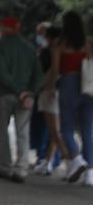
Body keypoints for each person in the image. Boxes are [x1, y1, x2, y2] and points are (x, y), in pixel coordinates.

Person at [0, 16, 42, 183]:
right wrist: (29, 93)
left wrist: (19, 91)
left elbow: (1, 73)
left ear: (6, 30)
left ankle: (5, 166)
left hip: (4, 94)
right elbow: (38, 75)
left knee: (2, 132)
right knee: (22, 133)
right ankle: (21, 169)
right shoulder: (29, 48)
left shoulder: (0, 46)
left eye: (1, 28)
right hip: (25, 96)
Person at [49, 10, 93, 184]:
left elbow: (55, 69)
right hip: (88, 86)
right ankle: (90, 173)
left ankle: (76, 158)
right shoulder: (88, 42)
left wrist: (51, 88)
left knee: (66, 129)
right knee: (87, 131)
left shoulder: (60, 44)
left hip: (68, 83)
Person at [33, 23, 66, 175]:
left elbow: (53, 69)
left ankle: (69, 158)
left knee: (53, 129)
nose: (42, 37)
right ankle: (50, 159)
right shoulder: (70, 49)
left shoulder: (53, 50)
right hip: (63, 90)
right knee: (56, 129)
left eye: (44, 34)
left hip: (51, 90)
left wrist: (50, 88)